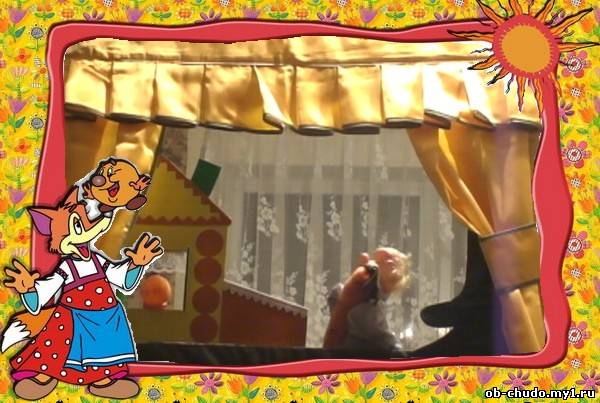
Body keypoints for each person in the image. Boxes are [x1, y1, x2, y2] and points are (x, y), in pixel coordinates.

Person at [323, 247, 410, 350]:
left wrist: (396, 349)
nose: (370, 264)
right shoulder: (342, 293)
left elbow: (379, 334)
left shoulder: (374, 308)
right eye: (375, 260)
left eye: (379, 262)